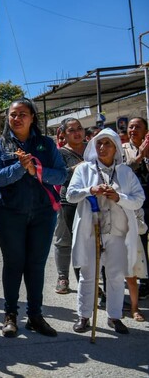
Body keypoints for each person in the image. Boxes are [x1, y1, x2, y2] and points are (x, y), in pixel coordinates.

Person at [0, 98, 66, 338]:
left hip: (42, 214)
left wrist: (36, 170)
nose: (17, 118)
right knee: (14, 264)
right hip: (9, 214)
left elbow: (60, 175)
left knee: (35, 266)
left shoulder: (45, 144)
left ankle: (35, 315)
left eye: (22, 114)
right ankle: (10, 315)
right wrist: (20, 168)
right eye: (12, 114)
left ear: (32, 117)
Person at [67, 129, 144, 334]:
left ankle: (114, 316)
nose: (102, 147)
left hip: (117, 232)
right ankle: (84, 316)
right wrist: (90, 190)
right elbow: (71, 195)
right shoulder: (84, 170)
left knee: (116, 275)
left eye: (107, 144)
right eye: (99, 143)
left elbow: (139, 199)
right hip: (90, 230)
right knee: (88, 273)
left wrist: (118, 197)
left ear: (116, 147)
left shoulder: (126, 172)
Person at [52, 118, 86, 295]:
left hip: (91, 201)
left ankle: (88, 279)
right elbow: (58, 176)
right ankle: (62, 277)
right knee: (64, 240)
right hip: (67, 201)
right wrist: (75, 169)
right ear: (64, 134)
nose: (77, 132)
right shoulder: (60, 153)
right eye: (71, 130)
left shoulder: (93, 148)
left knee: (88, 241)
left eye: (79, 128)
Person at [122, 117, 149, 300]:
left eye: (137, 127)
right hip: (136, 201)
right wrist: (140, 156)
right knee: (140, 239)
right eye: (131, 127)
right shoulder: (122, 150)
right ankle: (144, 281)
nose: (133, 130)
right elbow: (124, 171)